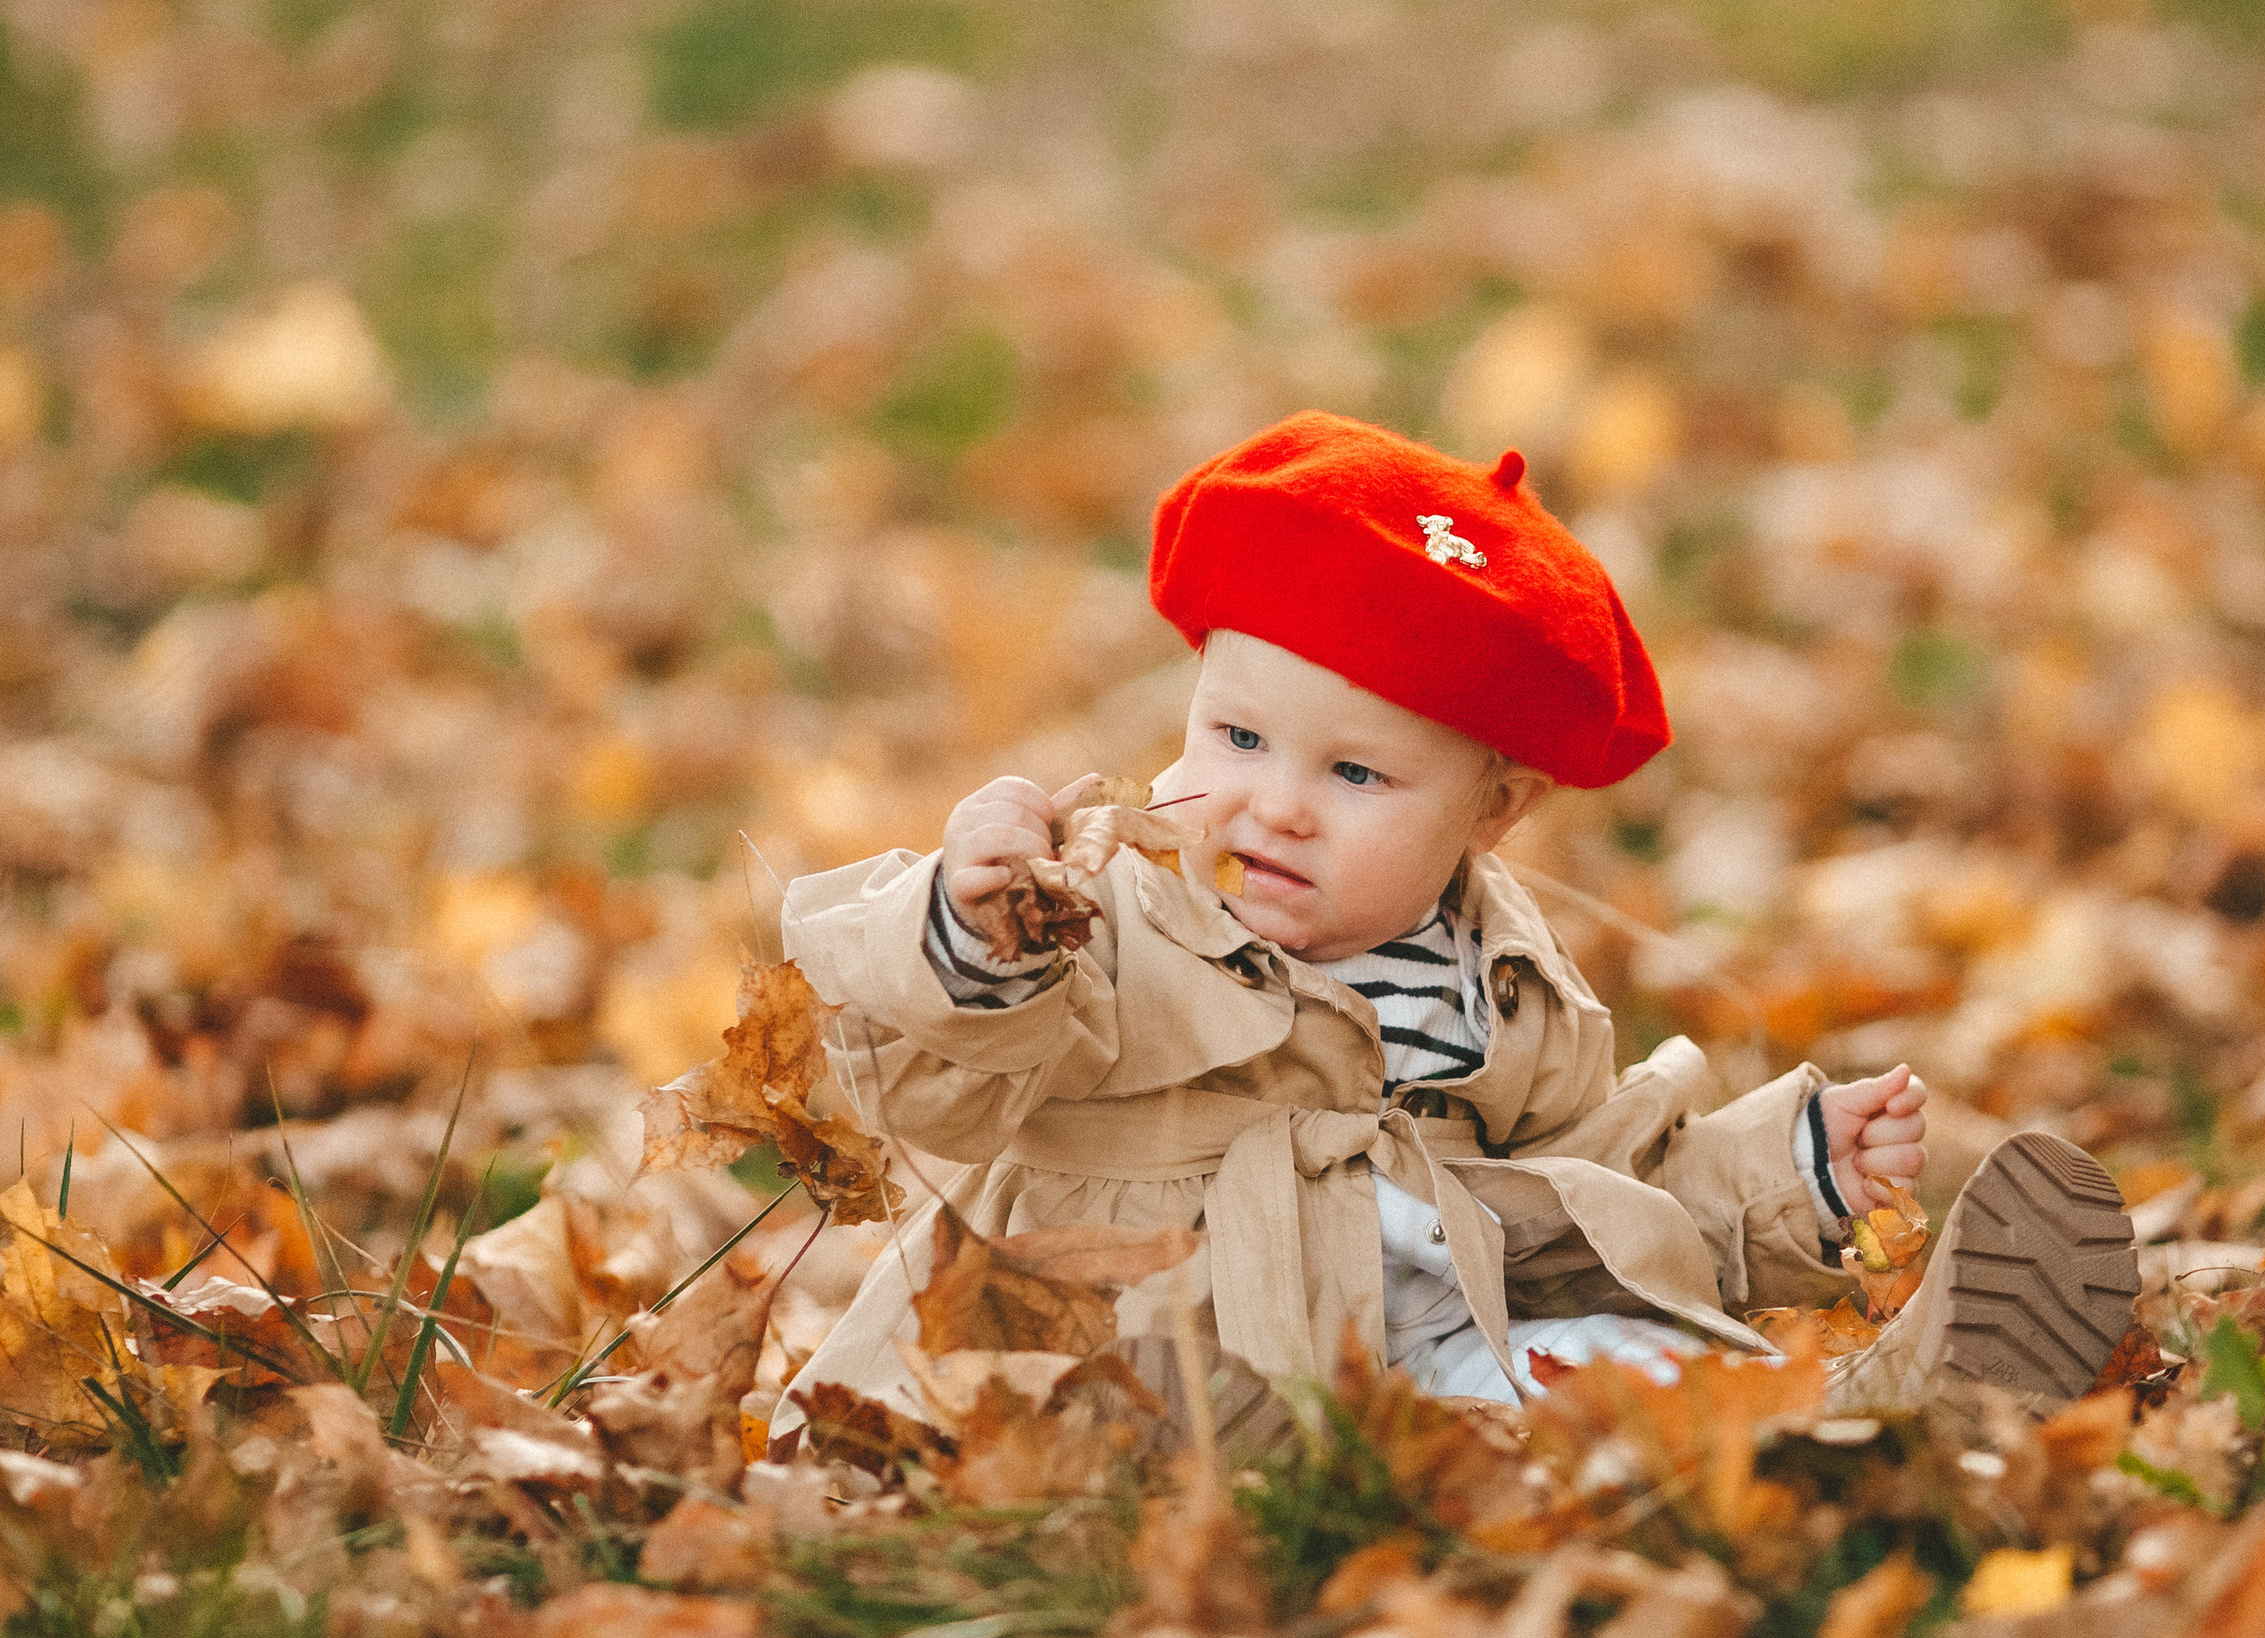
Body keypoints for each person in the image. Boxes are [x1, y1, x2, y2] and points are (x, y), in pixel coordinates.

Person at [765, 412, 2136, 1457]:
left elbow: (1585, 1198)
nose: (1275, 807)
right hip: (1115, 1336)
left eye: (1354, 777)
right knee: (1186, 1394)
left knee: (1601, 1377)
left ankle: (1870, 1422)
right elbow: (931, 1078)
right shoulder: (1103, 916)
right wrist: (970, 930)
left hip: (1426, 1353)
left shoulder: (1501, 989)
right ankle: (1208, 1457)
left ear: (1494, 810)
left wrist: (1789, 1176)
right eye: (1237, 737)